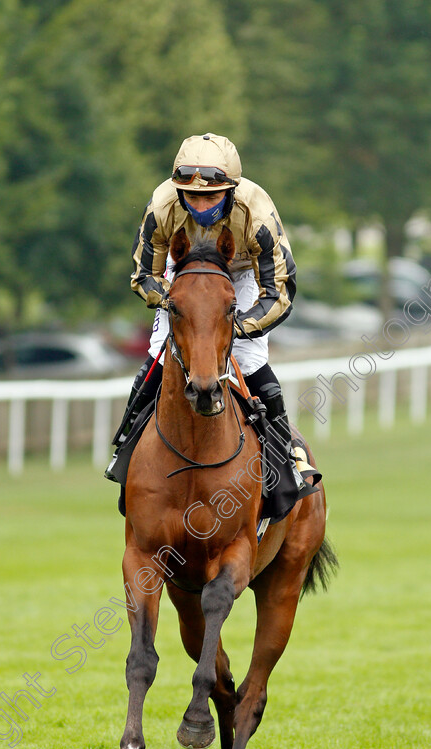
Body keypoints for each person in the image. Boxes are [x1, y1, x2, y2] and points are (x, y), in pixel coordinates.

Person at [106, 132, 315, 495]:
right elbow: (144, 276)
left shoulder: (258, 214)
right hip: (185, 270)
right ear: (178, 191)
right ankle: (126, 443)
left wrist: (233, 327)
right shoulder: (161, 207)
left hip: (243, 271)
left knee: (249, 359)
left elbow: (279, 292)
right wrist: (173, 305)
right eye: (192, 197)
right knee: (159, 351)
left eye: (212, 196)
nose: (201, 206)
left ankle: (288, 455)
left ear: (231, 190)